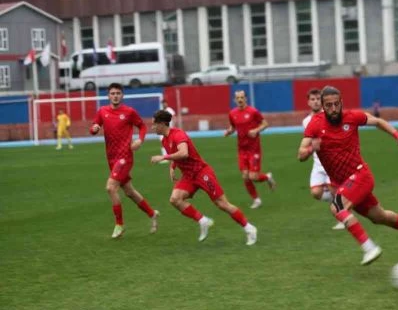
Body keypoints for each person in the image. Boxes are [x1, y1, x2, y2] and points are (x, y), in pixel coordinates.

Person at [298, 86, 398, 265]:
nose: (333, 109)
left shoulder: (353, 116)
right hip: (344, 183)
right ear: (323, 107)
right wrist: (312, 148)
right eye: (329, 105)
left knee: (337, 207)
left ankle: (369, 248)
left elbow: (379, 122)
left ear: (341, 103)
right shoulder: (315, 124)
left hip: (360, 174)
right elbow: (301, 154)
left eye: (336, 104)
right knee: (379, 217)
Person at [151, 109, 257, 246]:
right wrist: (172, 167)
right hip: (189, 176)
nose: (152, 127)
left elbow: (183, 153)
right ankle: (203, 221)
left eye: (154, 124)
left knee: (222, 204)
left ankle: (249, 228)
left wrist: (163, 157)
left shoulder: (178, 134)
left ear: (162, 124)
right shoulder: (165, 140)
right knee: (175, 199)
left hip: (202, 173)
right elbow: (176, 155)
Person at [89, 83, 159, 238]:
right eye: (112, 93)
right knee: (129, 191)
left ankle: (119, 225)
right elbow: (94, 125)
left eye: (118, 93)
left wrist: (140, 140)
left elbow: (142, 127)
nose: (115, 96)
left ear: (122, 95)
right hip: (111, 158)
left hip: (125, 157)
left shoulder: (129, 112)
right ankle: (152, 214)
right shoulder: (102, 111)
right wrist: (93, 129)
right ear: (108, 95)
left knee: (110, 187)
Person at [224, 90, 275, 209]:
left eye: (242, 97)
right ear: (234, 100)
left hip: (254, 149)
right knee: (245, 176)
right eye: (238, 98)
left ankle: (267, 177)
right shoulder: (232, 113)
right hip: (242, 149)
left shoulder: (253, 112)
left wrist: (256, 130)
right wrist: (228, 132)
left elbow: (265, 124)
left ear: (246, 98)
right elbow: (233, 127)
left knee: (253, 177)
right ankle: (256, 200)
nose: (240, 100)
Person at [302, 88, 344, 231]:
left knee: (333, 190)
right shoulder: (306, 121)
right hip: (317, 162)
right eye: (312, 99)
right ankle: (340, 201)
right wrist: (309, 149)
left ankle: (342, 217)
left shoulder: (329, 115)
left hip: (331, 161)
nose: (315, 102)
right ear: (308, 102)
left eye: (317, 99)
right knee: (316, 193)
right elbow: (308, 141)